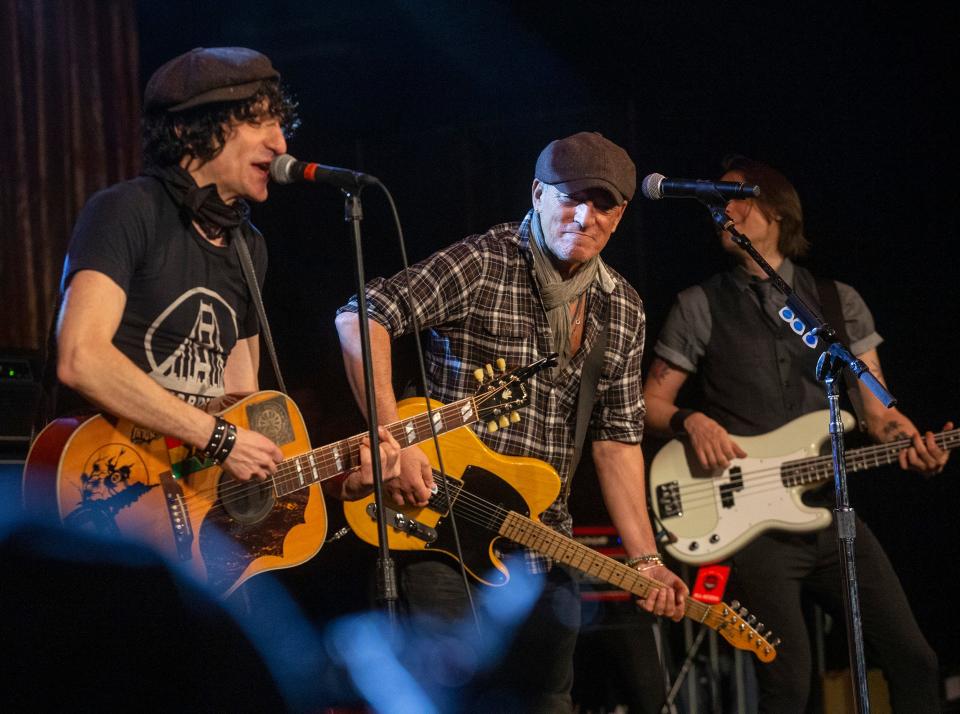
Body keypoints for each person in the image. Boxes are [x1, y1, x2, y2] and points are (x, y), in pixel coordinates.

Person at [336, 131, 687, 712]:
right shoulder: (485, 262)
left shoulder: (622, 306)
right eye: (571, 197)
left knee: (547, 701)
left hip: (540, 546)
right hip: (436, 528)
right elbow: (361, 315)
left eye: (603, 205)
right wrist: (390, 441)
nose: (585, 216)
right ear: (538, 194)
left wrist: (646, 559)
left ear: (621, 215)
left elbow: (618, 443)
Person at [642, 155, 950, 712]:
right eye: (714, 201)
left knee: (915, 660)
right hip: (751, 529)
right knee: (789, 685)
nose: (722, 210)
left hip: (833, 514)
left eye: (734, 197)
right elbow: (648, 405)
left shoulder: (837, 301)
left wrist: (913, 443)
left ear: (776, 210)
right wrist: (691, 419)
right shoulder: (699, 304)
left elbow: (880, 415)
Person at [52, 46, 400, 500]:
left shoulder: (247, 244)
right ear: (189, 130)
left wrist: (341, 480)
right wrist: (215, 437)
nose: (280, 144)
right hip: (106, 488)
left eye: (280, 124)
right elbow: (81, 358)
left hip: (188, 504)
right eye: (258, 122)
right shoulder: (127, 210)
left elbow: (241, 409)